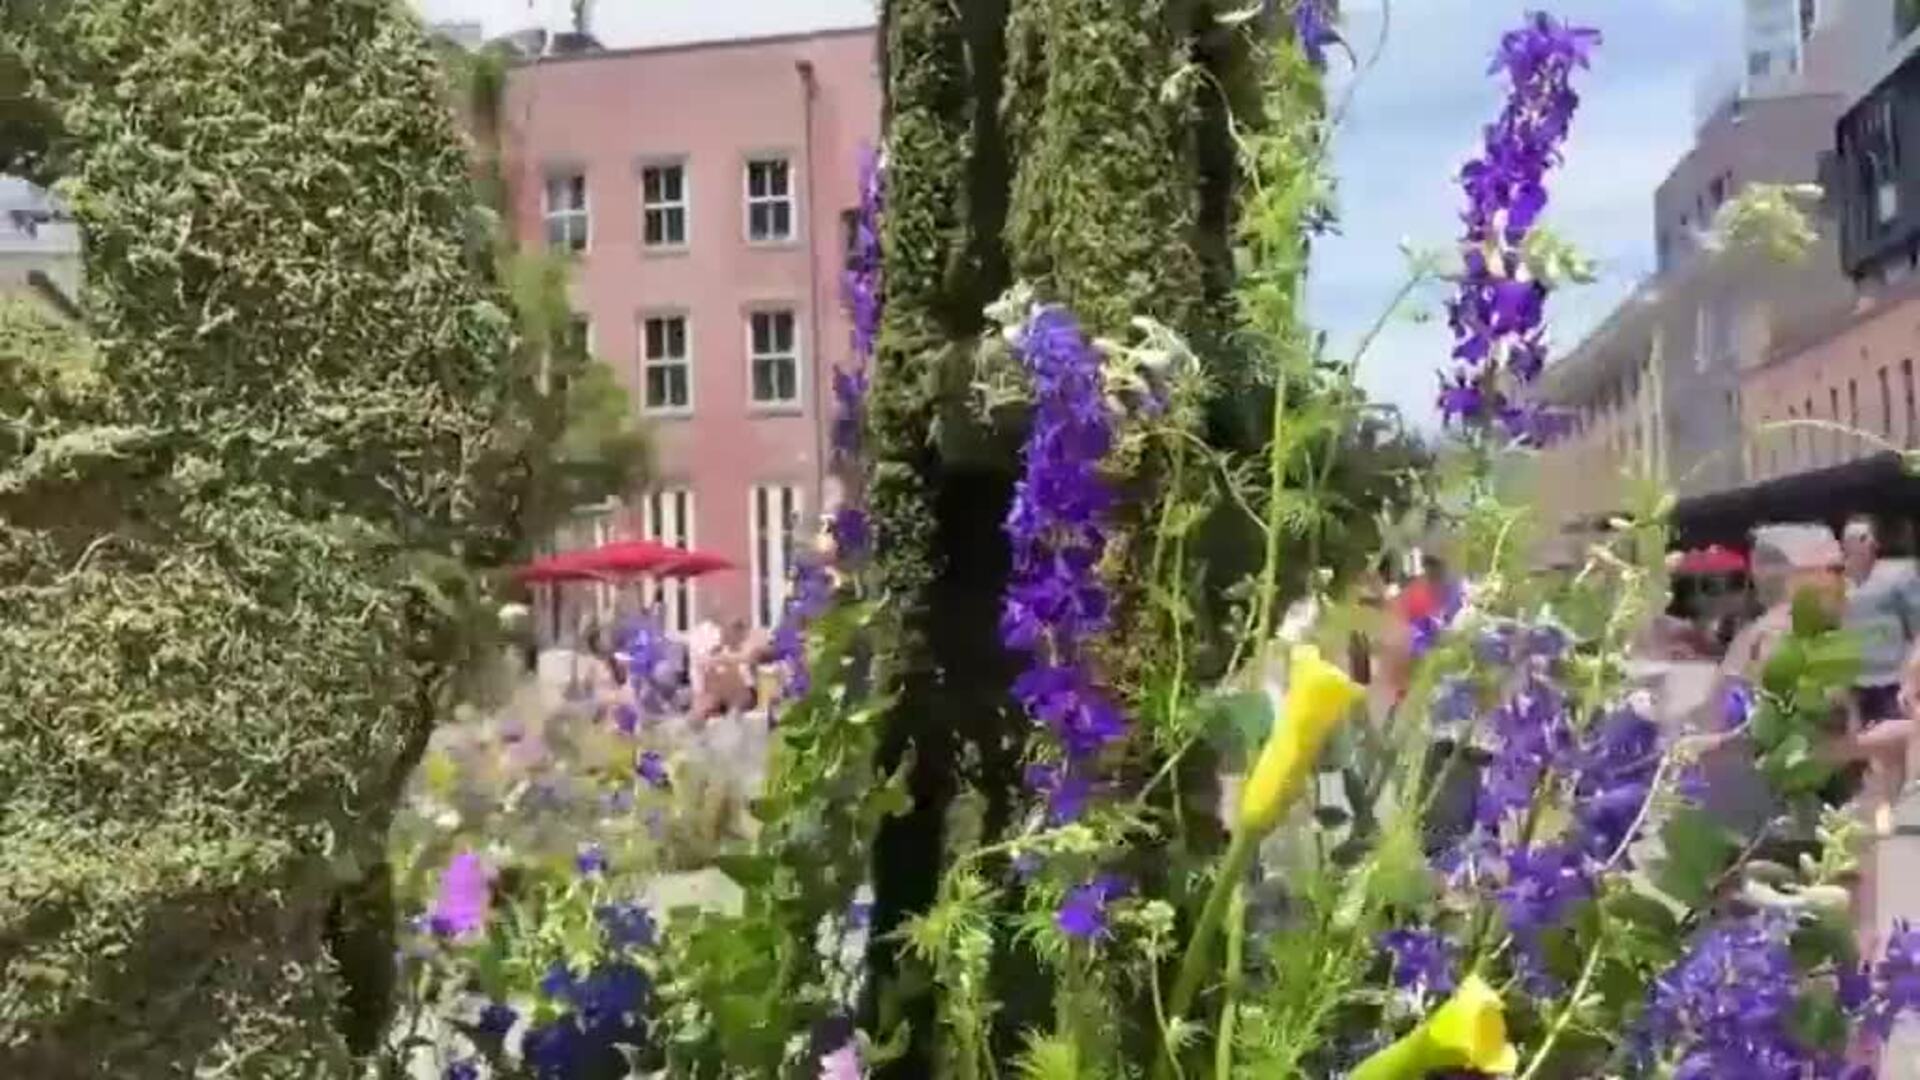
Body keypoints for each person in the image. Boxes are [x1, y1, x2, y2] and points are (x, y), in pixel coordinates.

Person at [1838, 516, 1920, 828]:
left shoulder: (1899, 575)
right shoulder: (1839, 583)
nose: (1864, 543)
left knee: (1893, 747)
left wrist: (1911, 675)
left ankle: (1891, 806)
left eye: (1867, 537)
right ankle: (1854, 811)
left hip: (1890, 675)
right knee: (1858, 746)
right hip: (1851, 679)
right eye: (1856, 538)